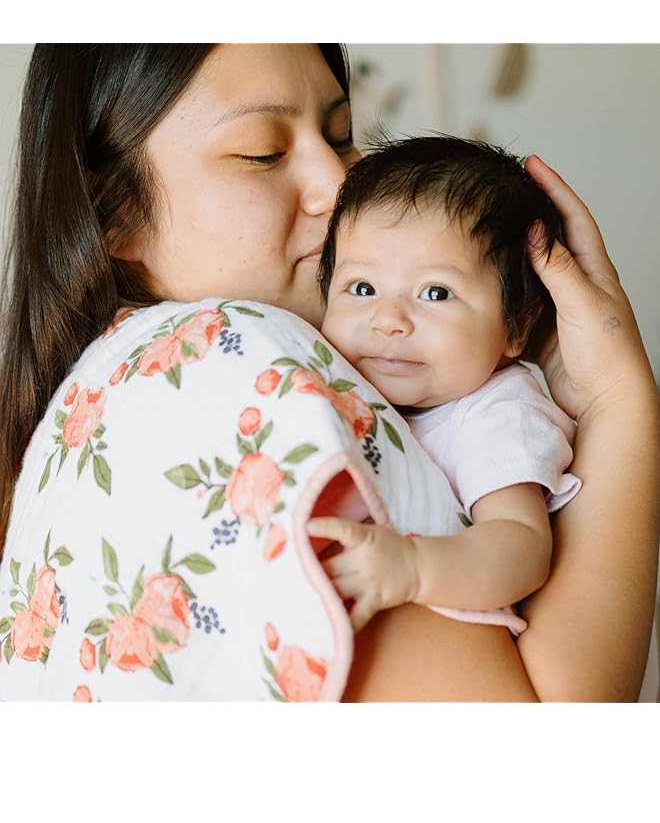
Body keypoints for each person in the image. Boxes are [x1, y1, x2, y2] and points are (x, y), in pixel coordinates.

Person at [0, 44, 657, 701]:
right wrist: (620, 402)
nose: (341, 185)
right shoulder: (231, 355)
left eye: (342, 137)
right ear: (117, 212)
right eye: (263, 151)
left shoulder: (102, 393)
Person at [310, 135, 582, 633]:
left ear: (518, 327)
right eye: (362, 288)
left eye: (435, 293)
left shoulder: (497, 413)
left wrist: (415, 568)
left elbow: (520, 544)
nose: (389, 319)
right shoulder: (342, 382)